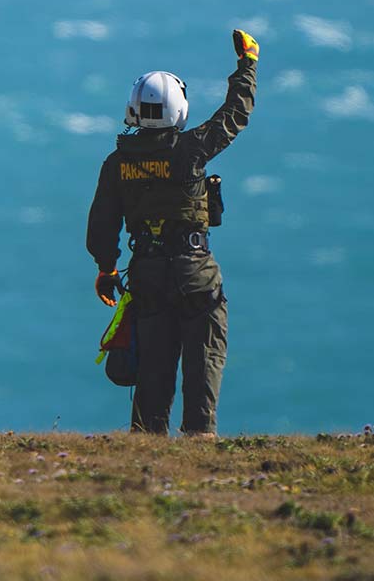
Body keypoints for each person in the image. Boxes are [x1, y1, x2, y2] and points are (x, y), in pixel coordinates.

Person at [86, 29, 258, 437]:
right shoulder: (192, 149)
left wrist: (107, 269)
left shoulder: (117, 164)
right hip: (195, 273)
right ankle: (199, 443)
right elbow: (235, 115)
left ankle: (147, 453)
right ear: (179, 110)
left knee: (152, 374)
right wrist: (246, 64)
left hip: (146, 276)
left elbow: (101, 225)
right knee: (204, 361)